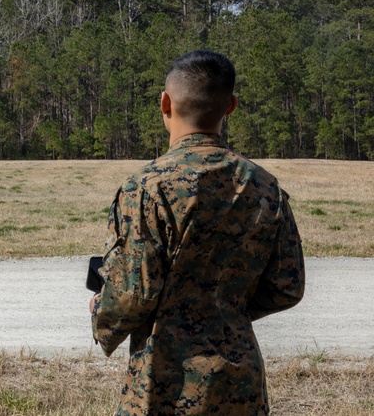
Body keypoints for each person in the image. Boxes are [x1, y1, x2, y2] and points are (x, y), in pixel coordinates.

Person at [90, 49, 305, 415]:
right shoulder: (265, 187)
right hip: (240, 383)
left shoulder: (147, 188)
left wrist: (100, 313)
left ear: (165, 102)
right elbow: (287, 286)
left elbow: (133, 294)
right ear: (231, 106)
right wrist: (226, 309)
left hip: (163, 385)